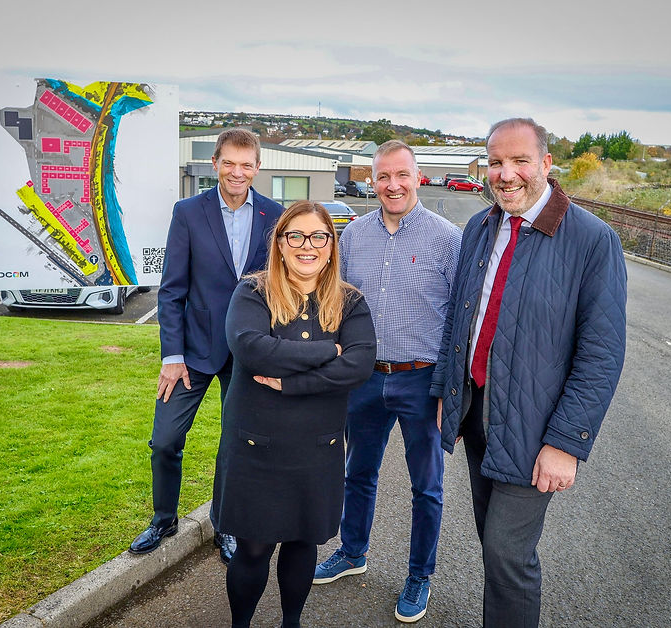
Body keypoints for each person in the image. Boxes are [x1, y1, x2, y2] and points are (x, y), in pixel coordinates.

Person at [431, 118, 627, 628]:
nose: (506, 174)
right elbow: (460, 317)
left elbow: (601, 353)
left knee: (507, 554)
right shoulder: (480, 226)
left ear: (545, 164)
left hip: (535, 427)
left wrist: (566, 442)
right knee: (492, 545)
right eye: (496, 162)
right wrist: (444, 392)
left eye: (519, 161)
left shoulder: (591, 240)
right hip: (477, 413)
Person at [313, 140, 461, 623]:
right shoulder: (353, 236)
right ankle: (353, 552)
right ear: (371, 180)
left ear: (418, 176)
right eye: (383, 177)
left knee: (427, 486)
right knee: (358, 471)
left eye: (401, 175)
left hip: (422, 381)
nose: (392, 185)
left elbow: (461, 321)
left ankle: (420, 576)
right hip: (365, 379)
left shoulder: (447, 239)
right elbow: (336, 306)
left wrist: (449, 388)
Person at [211, 200, 377, 628]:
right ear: (280, 244)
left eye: (319, 236)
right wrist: (328, 352)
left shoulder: (350, 301)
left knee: (304, 543)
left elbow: (360, 363)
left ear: (331, 244)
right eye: (296, 236)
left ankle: (291, 622)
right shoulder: (253, 291)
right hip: (256, 446)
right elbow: (251, 349)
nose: (309, 245)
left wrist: (291, 381)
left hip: (317, 446)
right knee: (253, 548)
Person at [129, 129, 284, 563]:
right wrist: (172, 356)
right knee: (165, 440)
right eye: (229, 163)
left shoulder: (275, 214)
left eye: (246, 164)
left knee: (234, 445)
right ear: (215, 163)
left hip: (248, 353)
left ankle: (224, 523)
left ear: (257, 167)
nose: (238, 172)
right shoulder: (188, 212)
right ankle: (164, 518)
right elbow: (171, 290)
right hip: (192, 353)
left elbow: (281, 286)